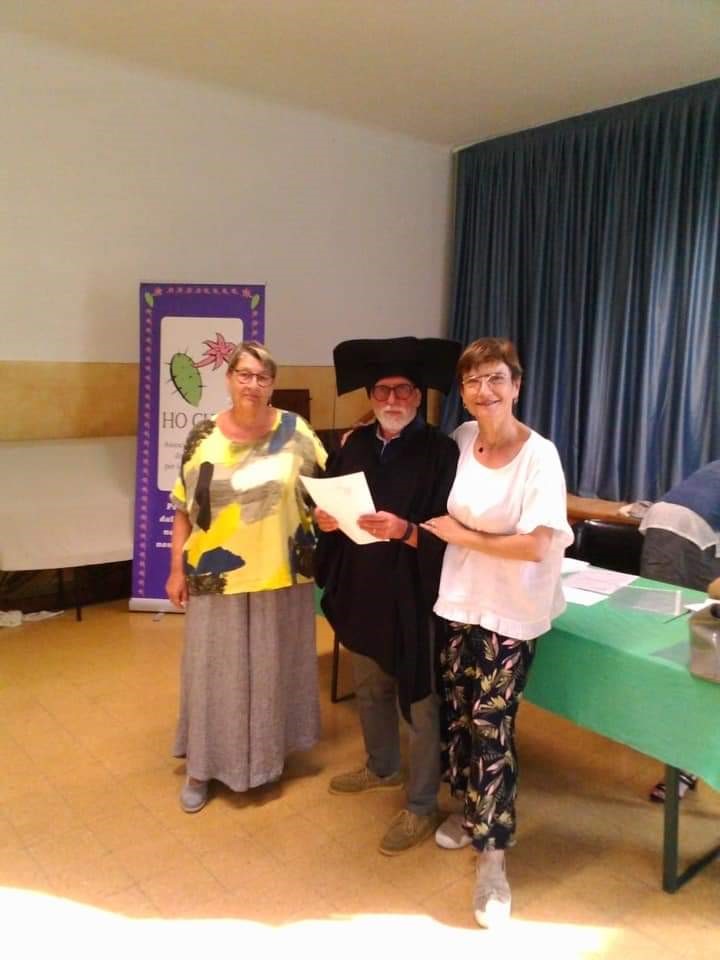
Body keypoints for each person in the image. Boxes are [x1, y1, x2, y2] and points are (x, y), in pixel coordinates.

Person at [422, 337, 573, 928]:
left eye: (495, 379)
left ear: (516, 385)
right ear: (462, 391)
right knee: (459, 716)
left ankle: (493, 859)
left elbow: (536, 545)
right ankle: (468, 813)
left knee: (492, 728)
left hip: (511, 613)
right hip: (460, 601)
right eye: (473, 381)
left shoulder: (540, 457)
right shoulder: (463, 439)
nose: (484, 391)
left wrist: (466, 538)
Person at [166, 341, 327, 813]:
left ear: (272, 384)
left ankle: (266, 763)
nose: (252, 384)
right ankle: (202, 768)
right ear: (229, 378)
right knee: (213, 674)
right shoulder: (202, 436)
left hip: (282, 573)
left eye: (262, 377)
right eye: (244, 374)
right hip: (215, 578)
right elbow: (182, 508)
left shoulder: (297, 432)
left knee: (273, 672)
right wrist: (175, 569)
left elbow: (327, 489)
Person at [314, 337, 460, 855]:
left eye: (403, 390)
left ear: (418, 396)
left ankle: (421, 804)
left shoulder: (442, 452)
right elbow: (327, 499)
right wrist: (323, 519)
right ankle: (381, 767)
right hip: (363, 587)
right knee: (370, 687)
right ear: (371, 396)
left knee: (421, 704)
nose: (392, 399)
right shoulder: (353, 445)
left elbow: (454, 530)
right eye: (382, 390)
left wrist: (405, 530)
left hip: (416, 593)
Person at [639, 459, 720, 803]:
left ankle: (680, 755)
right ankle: (683, 762)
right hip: (687, 533)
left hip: (663, 520)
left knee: (667, 626)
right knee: (681, 637)